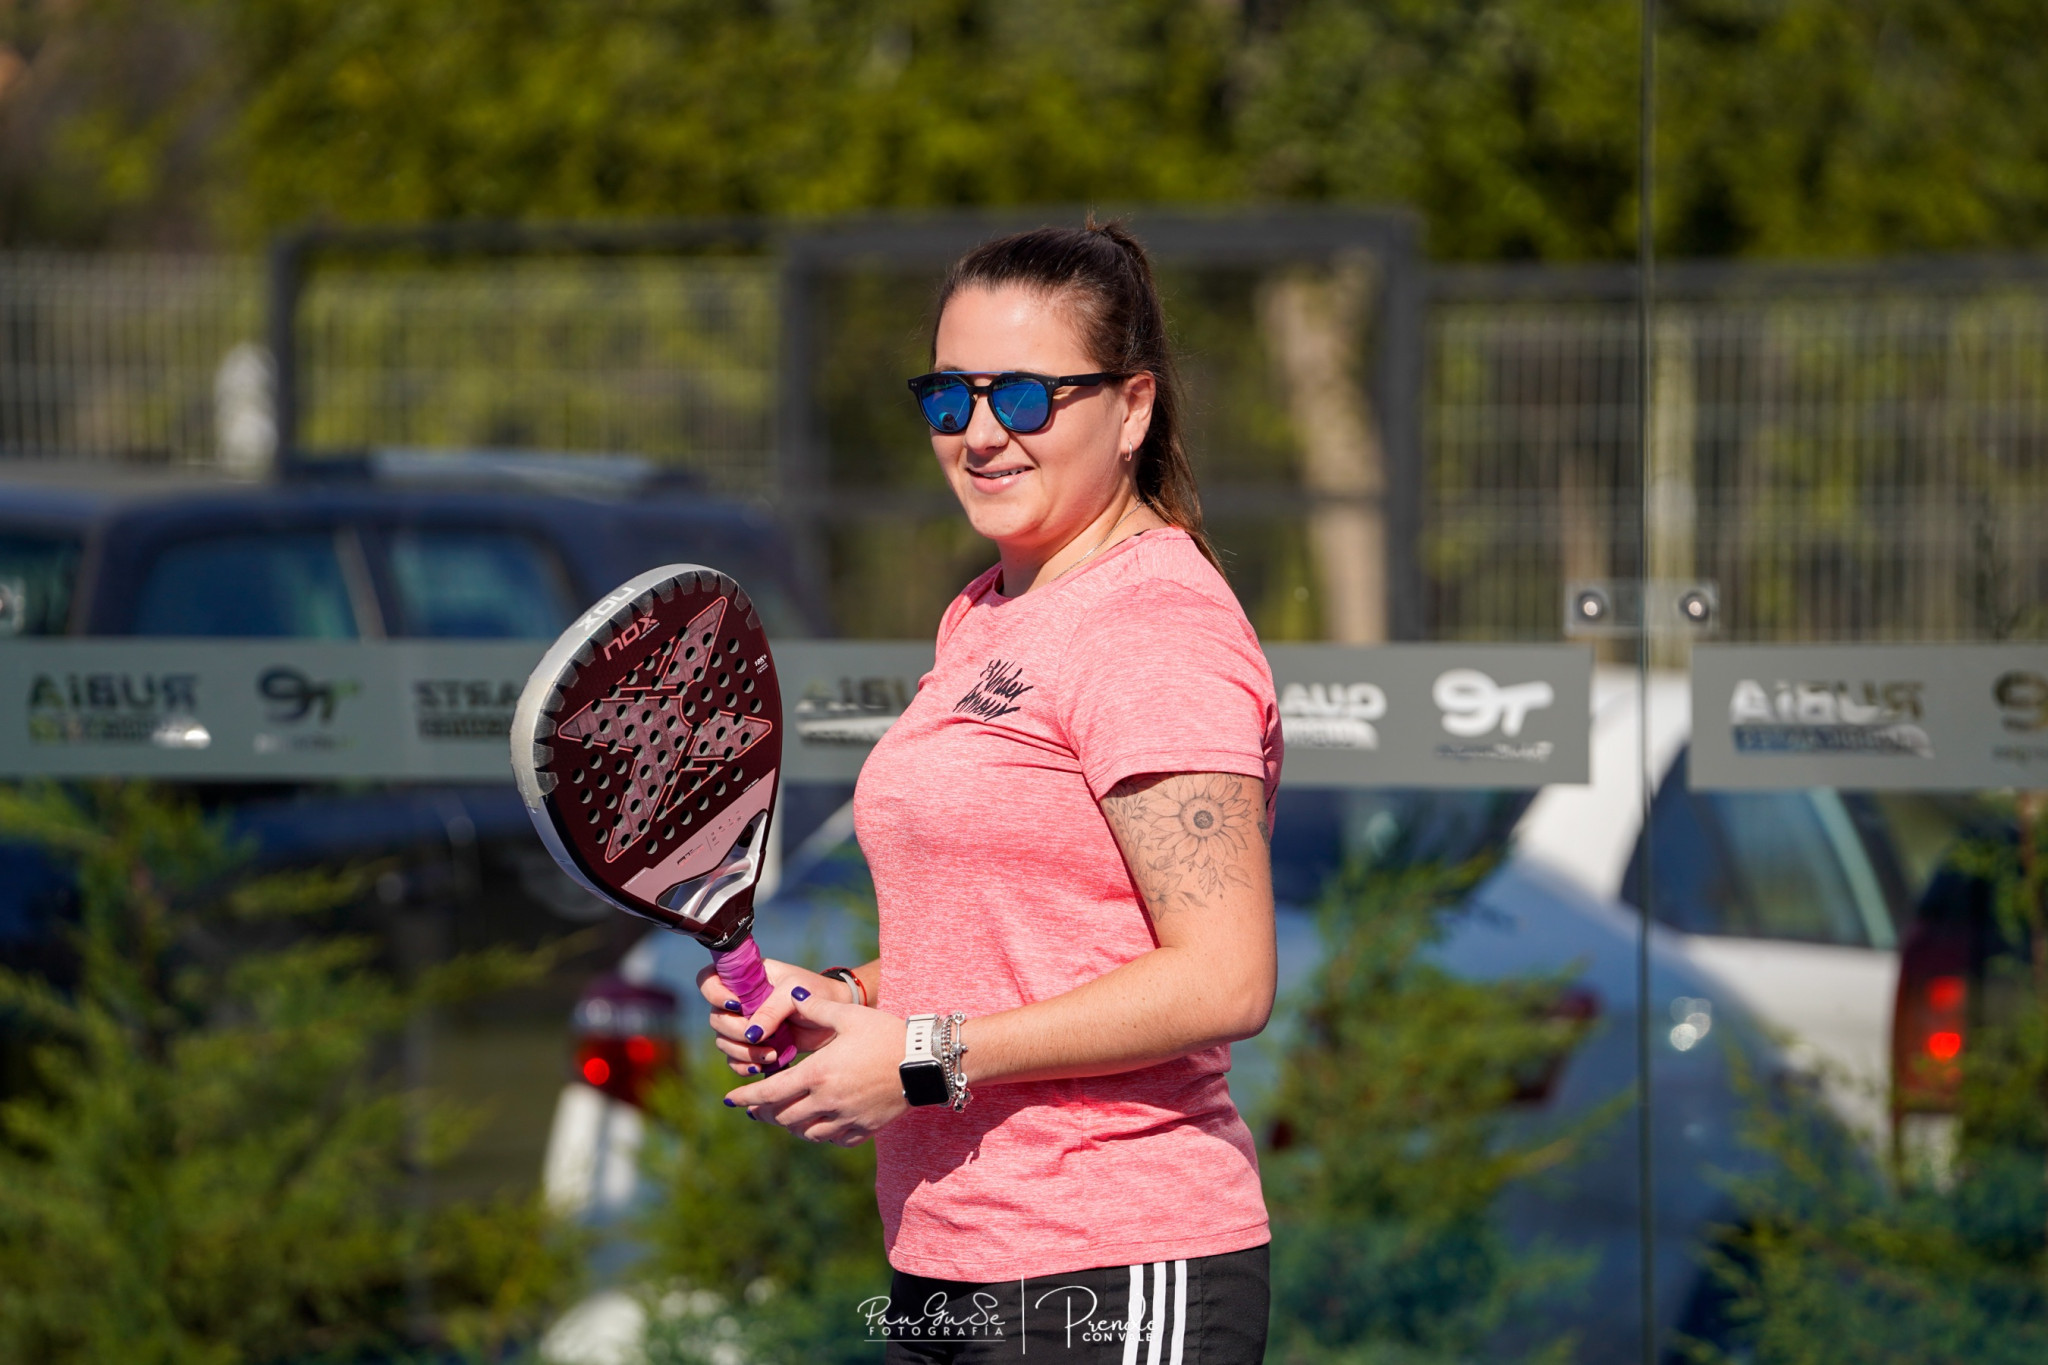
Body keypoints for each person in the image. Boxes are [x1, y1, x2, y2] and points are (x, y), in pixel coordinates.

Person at [702, 220, 1283, 1363]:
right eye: (947, 397)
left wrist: (918, 1057)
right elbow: (1032, 935)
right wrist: (845, 997)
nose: (977, 434)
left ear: (1131, 407)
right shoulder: (983, 612)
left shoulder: (1155, 630)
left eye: (1022, 397)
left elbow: (1225, 977)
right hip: (949, 1258)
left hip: (1114, 1261)